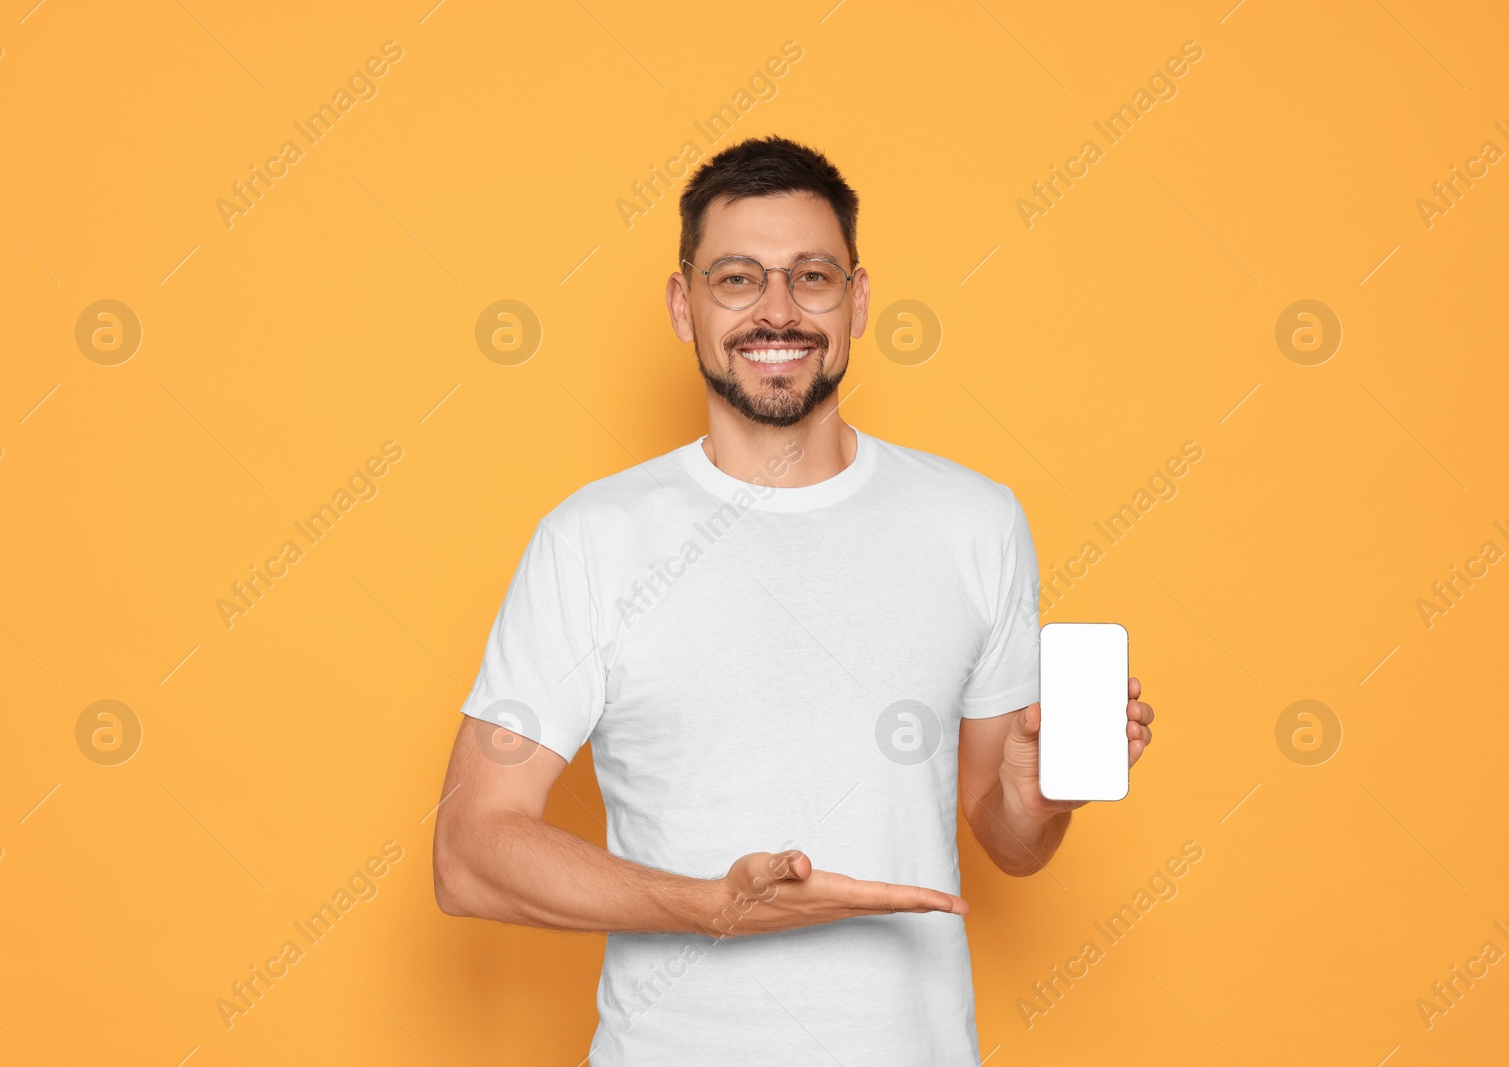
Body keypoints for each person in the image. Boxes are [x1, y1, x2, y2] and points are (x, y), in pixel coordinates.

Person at [431, 134, 1155, 1065]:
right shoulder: (593, 541)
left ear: (856, 299)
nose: (778, 311)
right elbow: (469, 849)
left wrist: (1040, 797)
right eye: (737, 279)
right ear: (682, 305)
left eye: (811, 277)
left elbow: (1008, 840)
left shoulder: (975, 520)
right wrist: (713, 906)